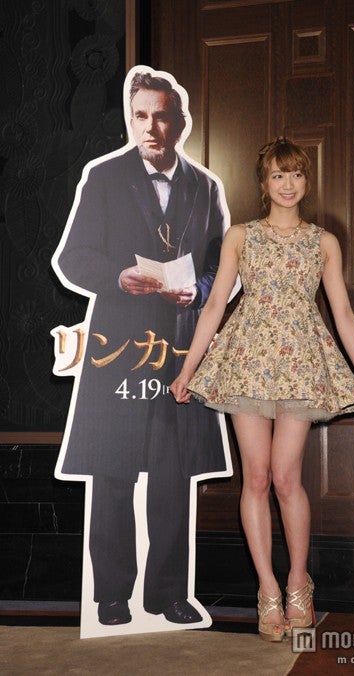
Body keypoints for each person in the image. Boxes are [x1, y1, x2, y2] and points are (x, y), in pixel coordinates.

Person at [170, 137, 354, 641]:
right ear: (264, 184)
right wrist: (187, 369)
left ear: (306, 181)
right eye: (278, 175)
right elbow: (215, 303)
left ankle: (297, 583)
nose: (288, 184)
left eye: (296, 174)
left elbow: (342, 312)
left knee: (287, 478)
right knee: (257, 477)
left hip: (301, 365)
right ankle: (267, 587)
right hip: (247, 361)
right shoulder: (241, 236)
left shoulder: (323, 242)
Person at [54, 70, 228, 626]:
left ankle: (169, 595)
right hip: (118, 347)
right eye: (140, 116)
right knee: (112, 472)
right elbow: (73, 258)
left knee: (173, 475)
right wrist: (117, 277)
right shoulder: (103, 177)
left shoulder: (205, 186)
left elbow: (221, 265)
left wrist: (200, 290)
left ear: (181, 123)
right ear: (131, 120)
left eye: (161, 116)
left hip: (178, 348)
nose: (150, 127)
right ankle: (111, 596)